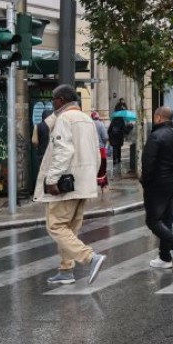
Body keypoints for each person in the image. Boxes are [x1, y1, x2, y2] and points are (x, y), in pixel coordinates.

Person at [33, 85, 107, 285]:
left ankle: (90, 257)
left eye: (54, 100)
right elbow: (96, 150)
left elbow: (63, 151)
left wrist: (51, 179)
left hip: (66, 183)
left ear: (62, 100)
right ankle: (66, 270)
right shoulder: (87, 119)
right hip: (83, 182)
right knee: (70, 229)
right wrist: (91, 176)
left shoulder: (65, 119)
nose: (52, 103)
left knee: (56, 226)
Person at [142, 107, 173, 270]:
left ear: (159, 118)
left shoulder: (155, 136)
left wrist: (146, 183)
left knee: (153, 220)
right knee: (166, 218)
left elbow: (148, 164)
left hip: (158, 183)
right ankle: (164, 256)